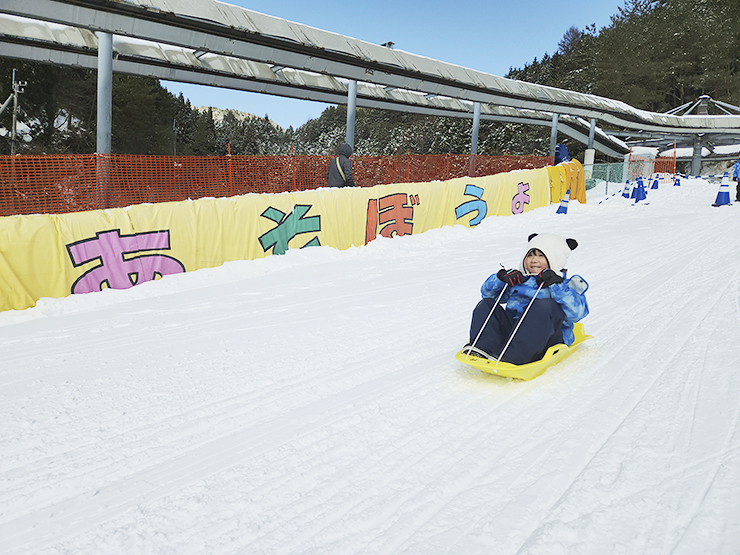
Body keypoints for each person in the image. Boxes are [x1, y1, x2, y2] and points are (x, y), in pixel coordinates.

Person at [462, 233, 589, 365]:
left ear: (555, 258)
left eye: (541, 255)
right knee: (487, 304)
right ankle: (484, 347)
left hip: (547, 336)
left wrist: (555, 285)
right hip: (514, 331)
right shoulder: (520, 280)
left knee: (544, 306)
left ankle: (514, 357)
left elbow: (577, 314)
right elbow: (489, 296)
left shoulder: (566, 285)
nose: (534, 260)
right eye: (530, 255)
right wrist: (500, 279)